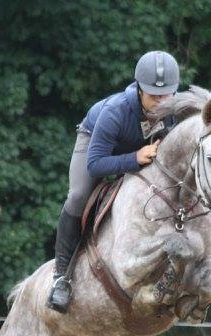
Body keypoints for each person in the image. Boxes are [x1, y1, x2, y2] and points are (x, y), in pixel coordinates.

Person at [46, 50, 180, 313]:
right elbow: (96, 164)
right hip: (97, 147)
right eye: (154, 96)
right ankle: (61, 278)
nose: (161, 103)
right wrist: (134, 158)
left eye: (167, 95)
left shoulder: (172, 110)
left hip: (139, 149)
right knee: (78, 196)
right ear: (140, 89)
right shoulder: (115, 111)